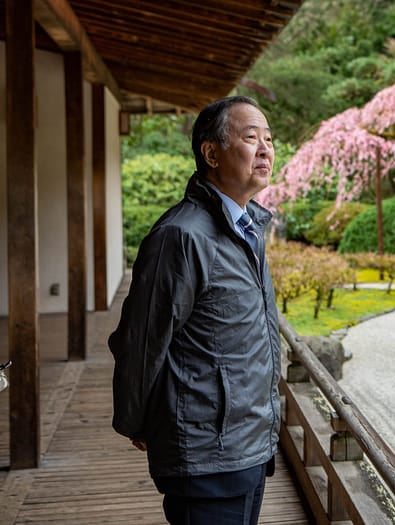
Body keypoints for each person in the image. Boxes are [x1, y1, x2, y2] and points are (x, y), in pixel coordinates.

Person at [109, 95, 281, 525]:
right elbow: (141, 339)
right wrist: (139, 423)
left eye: (269, 139)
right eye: (250, 137)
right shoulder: (181, 236)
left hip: (249, 447)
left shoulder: (248, 227)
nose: (265, 149)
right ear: (211, 152)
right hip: (206, 456)